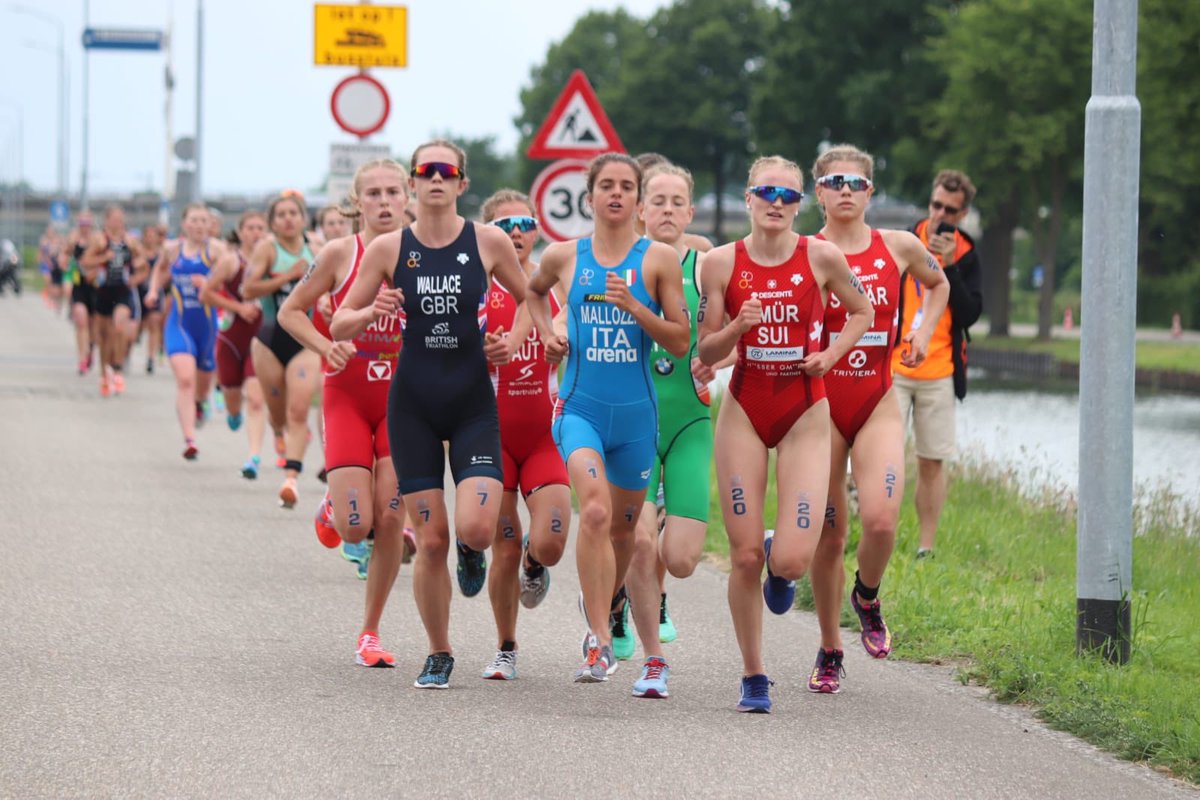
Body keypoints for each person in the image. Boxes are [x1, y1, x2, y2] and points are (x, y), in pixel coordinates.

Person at [331, 139, 550, 689]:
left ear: (460, 182)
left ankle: (470, 555)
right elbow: (339, 323)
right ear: (413, 182)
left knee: (476, 530)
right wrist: (370, 310)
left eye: (445, 171)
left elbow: (534, 296)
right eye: (425, 171)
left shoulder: (488, 240)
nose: (435, 179)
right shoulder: (388, 249)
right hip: (414, 408)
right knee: (429, 541)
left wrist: (528, 338)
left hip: (473, 402)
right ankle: (439, 651)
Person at [697, 155, 873, 713]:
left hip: (804, 411)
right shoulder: (720, 263)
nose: (777, 203)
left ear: (801, 203)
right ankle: (754, 675)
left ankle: (782, 554)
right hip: (746, 410)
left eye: (789, 196)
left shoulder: (820, 255)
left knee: (792, 562)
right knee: (744, 557)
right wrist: (736, 327)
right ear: (748, 198)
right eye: (766, 192)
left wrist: (830, 354)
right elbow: (705, 351)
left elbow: (862, 312)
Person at [527, 153, 690, 693]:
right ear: (590, 196)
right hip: (581, 411)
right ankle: (598, 636)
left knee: (623, 531)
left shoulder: (658, 260)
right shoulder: (564, 256)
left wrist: (635, 309)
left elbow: (680, 341)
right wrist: (548, 335)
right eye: (606, 186)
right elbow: (533, 291)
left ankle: (605, 596)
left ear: (638, 201)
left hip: (638, 420)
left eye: (626, 187)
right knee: (594, 511)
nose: (616, 195)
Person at [807, 145, 949, 694]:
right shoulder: (806, 251)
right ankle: (828, 649)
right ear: (818, 192)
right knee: (829, 534)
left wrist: (919, 332)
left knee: (884, 522)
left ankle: (865, 595)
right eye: (834, 181)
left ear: (870, 191)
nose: (846, 190)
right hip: (818, 407)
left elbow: (938, 285)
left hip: (875, 398)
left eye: (856, 183)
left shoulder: (899, 246)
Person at [279, 159, 412, 668]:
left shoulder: (428, 254)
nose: (383, 202)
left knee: (391, 516)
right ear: (357, 202)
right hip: (349, 397)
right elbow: (292, 310)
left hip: (404, 403)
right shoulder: (340, 253)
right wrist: (325, 345)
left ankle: (370, 633)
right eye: (373, 193)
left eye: (392, 192)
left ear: (407, 198)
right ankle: (336, 508)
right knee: (357, 528)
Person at [620, 163, 732, 677]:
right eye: (656, 200)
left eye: (676, 201)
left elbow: (734, 339)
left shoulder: (708, 265)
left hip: (689, 419)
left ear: (690, 211)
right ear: (640, 209)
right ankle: (651, 656)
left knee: (682, 557)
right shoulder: (620, 264)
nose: (666, 209)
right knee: (640, 542)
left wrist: (716, 360)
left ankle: (642, 589)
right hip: (633, 422)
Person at [477, 189, 571, 681]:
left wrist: (564, 349)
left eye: (525, 223)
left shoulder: (553, 285)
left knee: (551, 540)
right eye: (505, 224)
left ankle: (538, 565)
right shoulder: (472, 285)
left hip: (544, 434)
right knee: (504, 547)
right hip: (488, 435)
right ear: (489, 233)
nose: (516, 233)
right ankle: (506, 647)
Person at [893, 170, 984, 558]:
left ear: (962, 215)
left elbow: (970, 313)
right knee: (885, 457)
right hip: (894, 367)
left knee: (932, 460)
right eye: (935, 205)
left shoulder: (966, 253)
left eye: (950, 210)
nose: (940, 214)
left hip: (940, 369)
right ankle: (877, 534)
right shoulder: (902, 241)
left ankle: (925, 547)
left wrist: (946, 266)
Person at [243, 193, 323, 508]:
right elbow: (247, 289)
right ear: (273, 222)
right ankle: (279, 432)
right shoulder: (267, 250)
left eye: (294, 213)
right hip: (269, 338)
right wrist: (288, 277)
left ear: (303, 218)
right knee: (277, 412)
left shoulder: (316, 250)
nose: (288, 219)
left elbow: (335, 284)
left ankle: (291, 479)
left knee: (300, 410)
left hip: (304, 340)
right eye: (281, 214)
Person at [145, 203, 220, 459]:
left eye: (204, 221)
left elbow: (233, 279)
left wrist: (209, 284)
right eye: (194, 220)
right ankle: (190, 439)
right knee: (185, 380)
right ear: (185, 224)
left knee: (201, 386)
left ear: (210, 225)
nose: (199, 225)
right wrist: (154, 290)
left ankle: (200, 403)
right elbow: (160, 269)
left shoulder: (217, 251)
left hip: (208, 327)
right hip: (179, 324)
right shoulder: (171, 249)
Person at [200, 211, 268, 478]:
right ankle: (232, 411)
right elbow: (206, 293)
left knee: (255, 397)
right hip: (231, 338)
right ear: (240, 232)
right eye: (250, 227)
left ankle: (253, 456)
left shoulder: (271, 260)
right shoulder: (231, 262)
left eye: (260, 228)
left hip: (259, 339)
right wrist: (238, 307)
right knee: (233, 398)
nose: (256, 233)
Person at [80, 205, 147, 397]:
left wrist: (136, 274)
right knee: (104, 336)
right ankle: (104, 373)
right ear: (107, 220)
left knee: (120, 326)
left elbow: (144, 261)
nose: (117, 222)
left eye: (120, 218)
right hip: (103, 290)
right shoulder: (100, 240)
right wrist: (104, 257)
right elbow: (85, 261)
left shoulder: (130, 241)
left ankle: (117, 370)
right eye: (114, 219)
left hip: (122, 290)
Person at [62, 211, 98, 375]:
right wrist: (64, 263)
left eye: (87, 224)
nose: (84, 227)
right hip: (79, 284)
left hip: (95, 285)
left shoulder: (97, 239)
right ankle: (82, 358)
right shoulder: (73, 238)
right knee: (81, 320)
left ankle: (90, 349)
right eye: (81, 224)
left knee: (92, 324)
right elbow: (64, 255)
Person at [137, 224, 167, 374]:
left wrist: (158, 284)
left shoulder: (162, 253)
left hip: (155, 291)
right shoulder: (138, 251)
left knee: (154, 322)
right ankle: (129, 345)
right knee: (138, 326)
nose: (150, 238)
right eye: (147, 235)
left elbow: (168, 270)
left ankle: (150, 358)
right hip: (138, 291)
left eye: (153, 235)